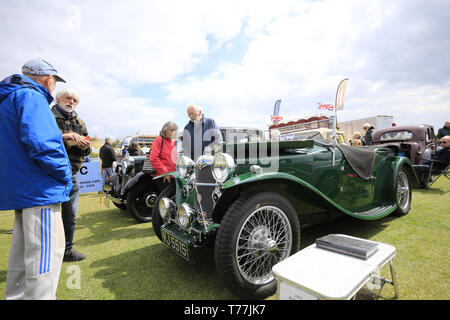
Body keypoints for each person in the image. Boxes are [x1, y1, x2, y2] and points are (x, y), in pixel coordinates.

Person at [0, 58, 72, 299]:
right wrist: (64, 174)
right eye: (53, 82)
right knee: (43, 263)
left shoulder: (9, 96)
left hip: (23, 190)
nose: (52, 87)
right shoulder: (32, 96)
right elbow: (42, 144)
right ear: (48, 80)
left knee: (21, 262)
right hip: (40, 189)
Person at [51, 88, 91, 262]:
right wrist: (64, 137)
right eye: (68, 98)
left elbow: (87, 149)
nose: (71, 102)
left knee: (70, 215)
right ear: (58, 99)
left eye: (75, 100)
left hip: (72, 173)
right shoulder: (47, 117)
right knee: (48, 215)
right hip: (50, 174)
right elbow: (41, 139)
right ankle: (49, 251)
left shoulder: (80, 122)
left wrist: (85, 147)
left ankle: (67, 250)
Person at [150, 121, 178, 192]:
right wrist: (164, 172)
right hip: (162, 176)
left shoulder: (173, 142)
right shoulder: (159, 140)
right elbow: (154, 158)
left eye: (175, 130)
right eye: (172, 130)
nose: (173, 132)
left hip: (173, 175)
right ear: (165, 130)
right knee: (165, 200)